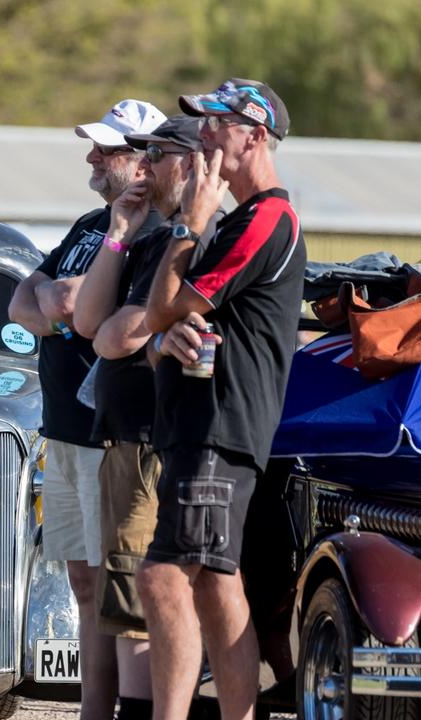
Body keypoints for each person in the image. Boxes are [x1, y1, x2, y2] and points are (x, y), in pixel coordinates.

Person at [138, 79, 305, 720]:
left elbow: (162, 308)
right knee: (214, 580)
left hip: (220, 427)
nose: (205, 132)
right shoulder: (238, 219)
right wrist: (166, 334)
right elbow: (164, 329)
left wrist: (186, 226)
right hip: (200, 425)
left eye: (218, 122)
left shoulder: (265, 218)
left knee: (162, 576)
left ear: (255, 136)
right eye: (202, 121)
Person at [8, 97, 165, 720]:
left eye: (110, 149)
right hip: (66, 430)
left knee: (122, 592)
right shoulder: (86, 226)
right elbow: (23, 301)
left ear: (146, 162)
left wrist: (56, 302)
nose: (93, 157)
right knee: (84, 585)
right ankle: (91, 710)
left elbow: (80, 309)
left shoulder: (152, 234)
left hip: (113, 436)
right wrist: (49, 296)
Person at [72, 115, 219, 720]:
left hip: (149, 437)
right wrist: (118, 231)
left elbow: (110, 338)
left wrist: (139, 330)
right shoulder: (147, 235)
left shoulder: (181, 238)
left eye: (155, 154)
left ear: (186, 161)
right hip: (122, 435)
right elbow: (87, 323)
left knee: (142, 595)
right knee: (124, 592)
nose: (144, 165)